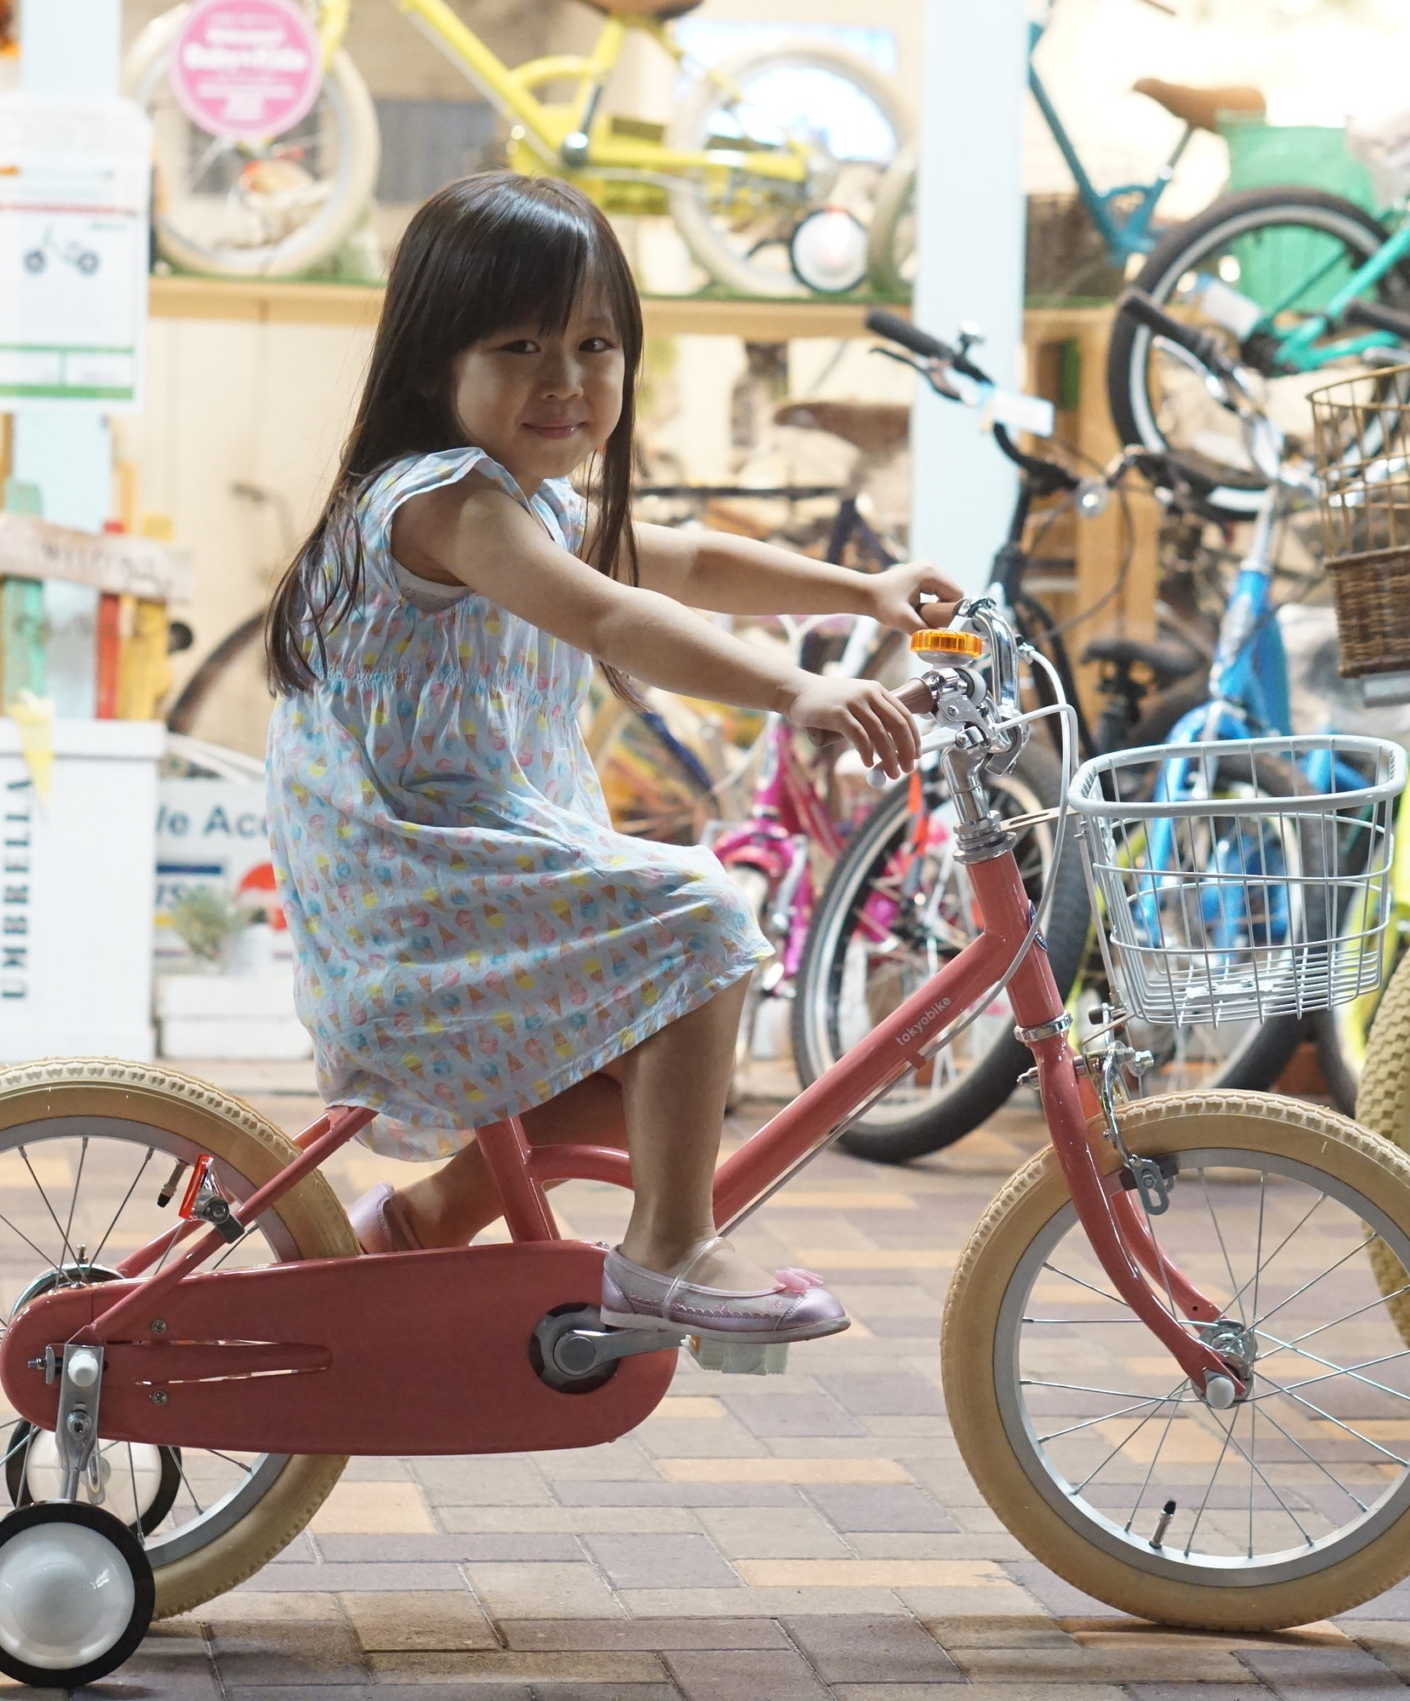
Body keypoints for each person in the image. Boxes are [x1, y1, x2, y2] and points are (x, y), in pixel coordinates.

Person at [263, 171, 961, 1341]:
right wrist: (799, 690)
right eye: (521, 345)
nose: (565, 381)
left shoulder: (521, 503)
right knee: (704, 915)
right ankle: (669, 1246)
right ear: (437, 363)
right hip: (418, 892)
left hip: (457, 875)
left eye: (595, 344)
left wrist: (865, 589)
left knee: (621, 1074)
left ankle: (424, 1221)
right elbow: (611, 617)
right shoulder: (442, 503)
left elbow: (675, 562)